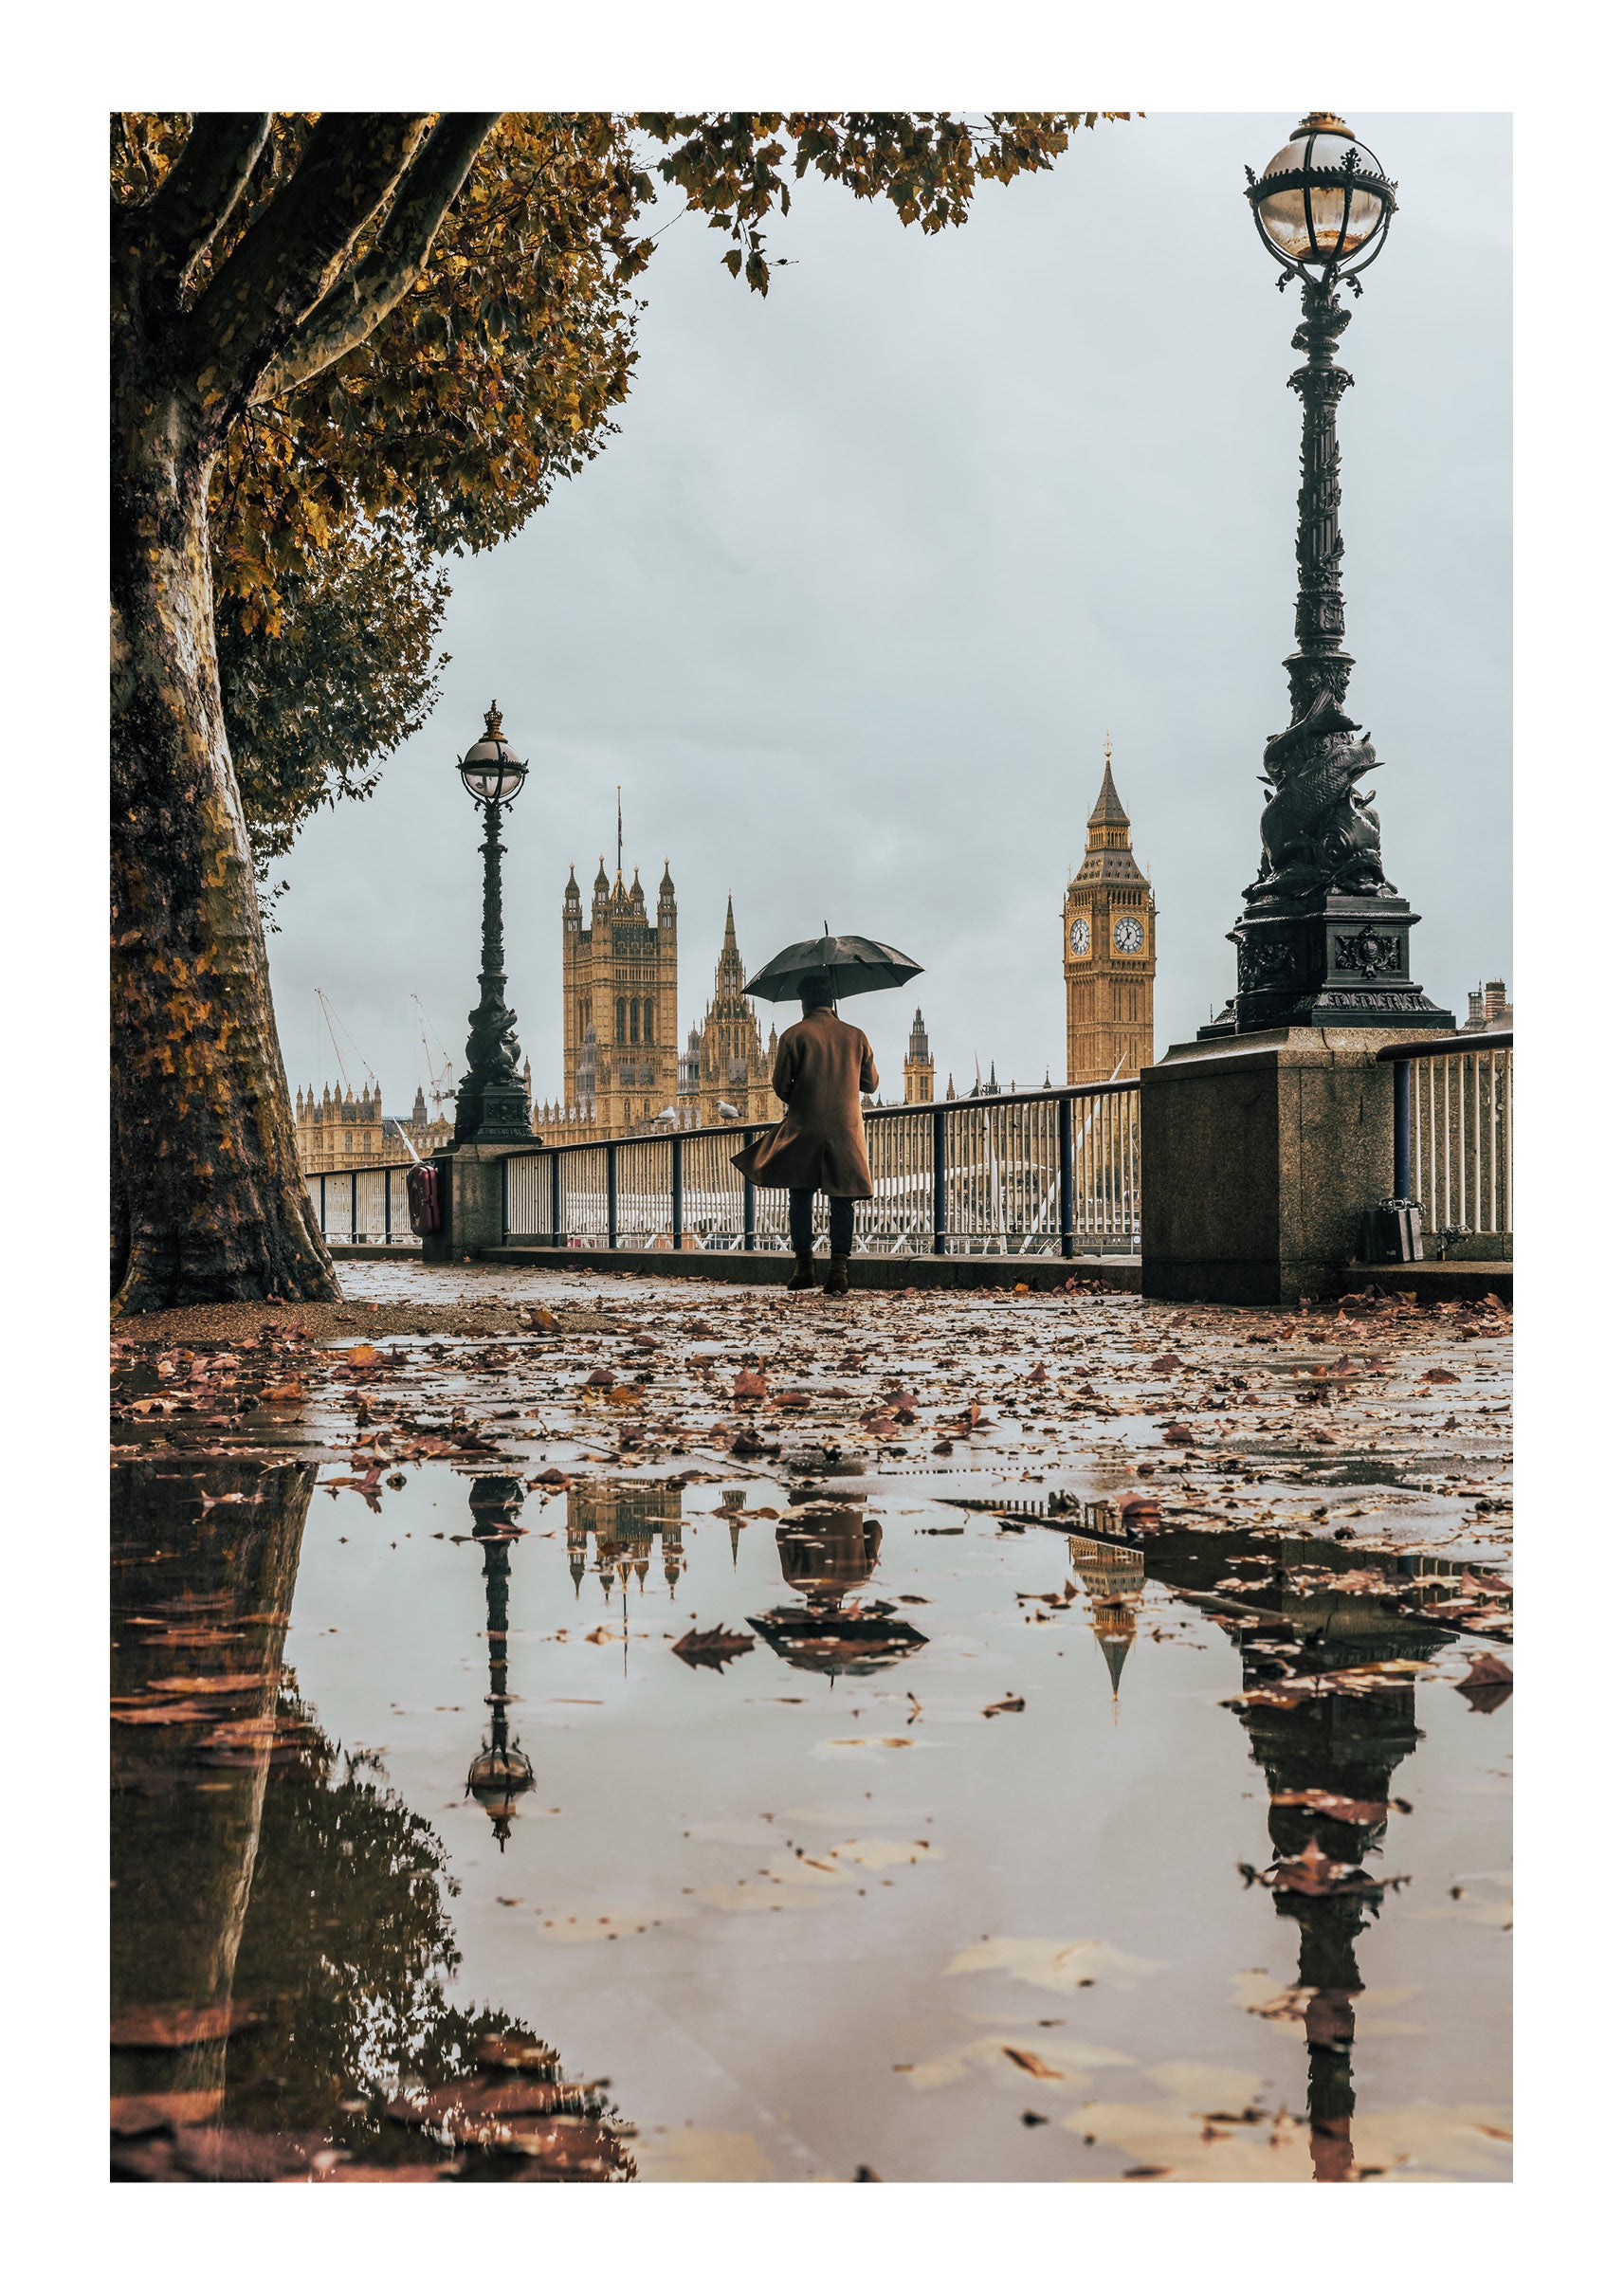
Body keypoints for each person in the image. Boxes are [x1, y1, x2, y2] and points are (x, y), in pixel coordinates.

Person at [731, 974, 877, 1294]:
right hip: (846, 1129)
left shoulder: (793, 1035)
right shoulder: (856, 1036)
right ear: (831, 1001)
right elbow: (871, 1084)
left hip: (805, 1126)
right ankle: (838, 1271)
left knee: (799, 1196)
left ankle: (804, 1266)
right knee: (843, 1199)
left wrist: (804, 1091)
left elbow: (781, 1086)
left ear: (803, 1003)